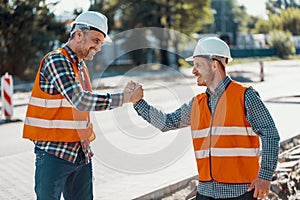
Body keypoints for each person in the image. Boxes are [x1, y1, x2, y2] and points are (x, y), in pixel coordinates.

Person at [130, 37, 280, 200]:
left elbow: (270, 134)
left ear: (215, 65)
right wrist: (138, 102)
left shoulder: (245, 96)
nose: (193, 71)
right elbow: (167, 122)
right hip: (206, 192)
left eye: (198, 65)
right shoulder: (197, 104)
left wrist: (264, 177)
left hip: (241, 192)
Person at [22, 11, 142, 200]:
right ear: (79, 34)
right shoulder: (57, 60)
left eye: (101, 42)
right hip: (53, 153)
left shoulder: (80, 66)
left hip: (80, 153)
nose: (99, 47)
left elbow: (82, 107)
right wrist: (125, 98)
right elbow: (81, 100)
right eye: (96, 40)